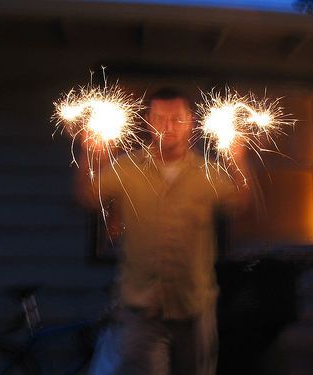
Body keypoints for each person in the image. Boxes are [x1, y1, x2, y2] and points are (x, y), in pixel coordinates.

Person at [75, 87, 251, 375]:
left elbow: (239, 203)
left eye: (177, 119)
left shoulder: (207, 172)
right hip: (141, 312)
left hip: (194, 309)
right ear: (148, 121)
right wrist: (89, 154)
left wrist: (238, 157)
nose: (168, 127)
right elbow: (87, 197)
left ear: (191, 121)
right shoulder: (127, 168)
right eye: (159, 118)